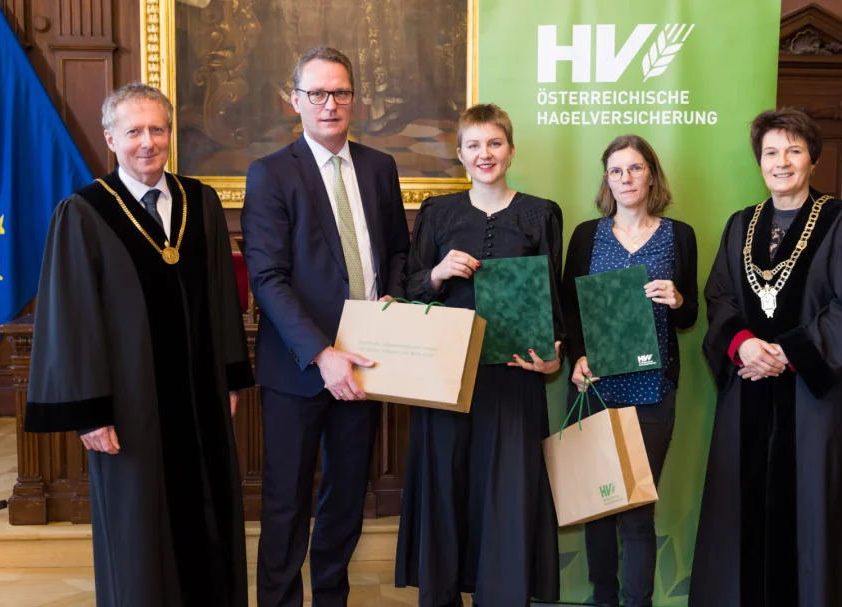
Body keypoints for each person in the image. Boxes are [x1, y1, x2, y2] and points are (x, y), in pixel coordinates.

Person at [23, 82, 254, 607]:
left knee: (209, 514)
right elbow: (71, 318)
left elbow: (222, 296)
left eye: (157, 129)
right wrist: (90, 411)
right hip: (129, 407)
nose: (147, 142)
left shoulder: (200, 202)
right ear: (111, 138)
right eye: (133, 131)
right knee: (138, 530)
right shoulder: (84, 212)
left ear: (170, 134)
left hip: (200, 399)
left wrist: (229, 377)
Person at [690, 107, 842, 607]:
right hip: (748, 384)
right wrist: (744, 345)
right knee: (740, 502)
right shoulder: (741, 224)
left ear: (813, 159)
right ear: (759, 161)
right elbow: (719, 297)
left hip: (810, 397)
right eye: (771, 152)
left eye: (794, 151)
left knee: (810, 503)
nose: (782, 162)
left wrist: (787, 351)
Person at [241, 46, 410, 606]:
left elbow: (398, 253)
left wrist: (394, 300)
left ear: (354, 99)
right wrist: (321, 353)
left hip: (366, 364)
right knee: (286, 504)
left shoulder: (380, 168)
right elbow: (267, 278)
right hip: (300, 371)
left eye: (340, 92)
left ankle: (331, 598)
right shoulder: (270, 173)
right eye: (316, 93)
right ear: (295, 101)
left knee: (346, 500)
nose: (329, 103)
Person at [394, 103, 562, 607]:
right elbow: (409, 290)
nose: (484, 154)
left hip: (513, 377)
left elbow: (552, 298)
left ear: (511, 150)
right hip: (445, 378)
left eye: (494, 143)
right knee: (446, 488)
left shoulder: (541, 213)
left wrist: (553, 355)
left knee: (508, 493)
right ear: (460, 154)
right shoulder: (437, 212)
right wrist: (438, 273)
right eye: (474, 145)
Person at [561, 134, 698, 607]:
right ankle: (604, 598)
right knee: (599, 506)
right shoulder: (586, 235)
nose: (626, 178)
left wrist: (677, 299)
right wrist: (577, 357)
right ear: (607, 179)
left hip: (652, 390)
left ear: (651, 175)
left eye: (636, 168)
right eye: (616, 170)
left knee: (637, 511)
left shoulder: (679, 235)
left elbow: (689, 316)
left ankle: (636, 603)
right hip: (595, 386)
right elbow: (569, 308)